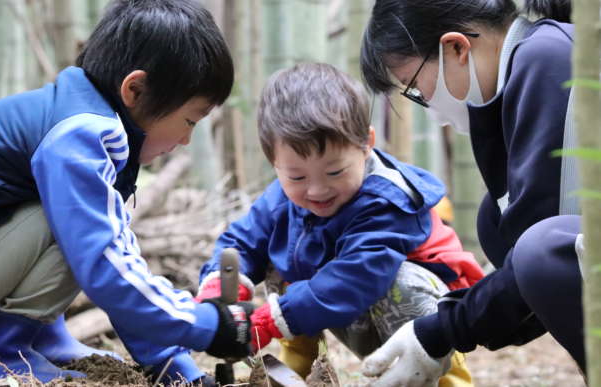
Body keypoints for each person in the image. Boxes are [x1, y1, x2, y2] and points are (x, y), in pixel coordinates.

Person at [0, 0, 253, 385]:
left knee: (75, 217)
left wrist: (175, 369)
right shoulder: (80, 133)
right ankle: (3, 354)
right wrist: (204, 324)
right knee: (71, 223)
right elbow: (103, 260)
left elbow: (116, 254)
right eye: (190, 120)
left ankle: (42, 336)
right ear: (135, 90)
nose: (187, 140)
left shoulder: (77, 119)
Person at [195, 63, 485, 386]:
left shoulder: (388, 201)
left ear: (366, 145)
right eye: (297, 176)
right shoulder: (284, 197)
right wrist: (219, 286)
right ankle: (300, 360)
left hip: (420, 323)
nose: (317, 190)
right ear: (274, 163)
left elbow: (354, 279)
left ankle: (447, 379)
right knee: (280, 250)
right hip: (347, 308)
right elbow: (243, 241)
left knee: (400, 281)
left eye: (334, 172)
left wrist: (269, 321)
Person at [359, 0, 583, 385]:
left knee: (538, 250)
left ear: (456, 48)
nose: (427, 105)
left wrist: (440, 331)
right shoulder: (527, 67)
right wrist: (452, 325)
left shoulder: (546, 61)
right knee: (495, 224)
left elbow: (547, 252)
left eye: (415, 88)